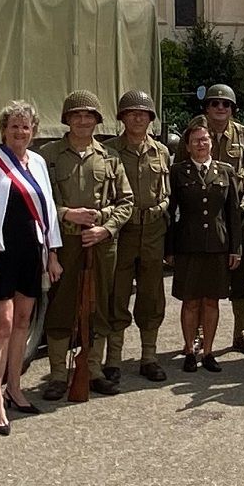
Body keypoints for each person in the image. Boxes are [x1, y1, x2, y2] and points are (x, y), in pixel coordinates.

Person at [0, 100, 63, 436]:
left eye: (26, 127)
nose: (20, 132)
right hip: (0, 251)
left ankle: (15, 387)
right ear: (3, 130)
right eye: (14, 126)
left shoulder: (37, 162)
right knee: (2, 325)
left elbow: (47, 209)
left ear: (33, 132)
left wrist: (52, 253)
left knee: (23, 320)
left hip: (31, 250)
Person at [41, 91, 135, 400]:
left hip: (100, 244)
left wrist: (104, 227)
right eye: (77, 116)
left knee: (100, 307)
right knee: (61, 305)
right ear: (67, 120)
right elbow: (39, 201)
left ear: (97, 121)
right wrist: (67, 213)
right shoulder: (49, 156)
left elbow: (126, 202)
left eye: (89, 116)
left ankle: (93, 370)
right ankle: (57, 374)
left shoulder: (110, 157)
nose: (83, 121)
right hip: (64, 241)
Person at [177, 84, 244, 354]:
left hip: (237, 216)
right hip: (204, 218)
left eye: (225, 105)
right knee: (200, 281)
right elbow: (180, 173)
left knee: (241, 275)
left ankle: (240, 331)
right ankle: (198, 335)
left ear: (233, 109)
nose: (220, 108)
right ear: (207, 108)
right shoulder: (195, 134)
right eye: (214, 104)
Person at [102, 90, 172, 382]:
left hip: (153, 231)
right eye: (131, 113)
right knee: (117, 293)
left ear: (151, 118)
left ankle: (149, 356)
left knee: (151, 294)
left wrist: (161, 208)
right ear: (122, 118)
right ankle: (113, 359)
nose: (138, 118)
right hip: (123, 231)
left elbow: (167, 192)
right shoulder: (108, 151)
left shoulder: (161, 152)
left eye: (143, 114)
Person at [168, 124, 241, 371]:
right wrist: (168, 249)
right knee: (190, 302)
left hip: (217, 246)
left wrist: (235, 248)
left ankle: (208, 352)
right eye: (196, 141)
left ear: (211, 143)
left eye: (205, 139)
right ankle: (189, 350)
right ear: (187, 146)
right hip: (187, 244)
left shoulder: (226, 171)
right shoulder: (177, 172)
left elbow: (232, 213)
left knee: (211, 302)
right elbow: (170, 213)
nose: (201, 144)